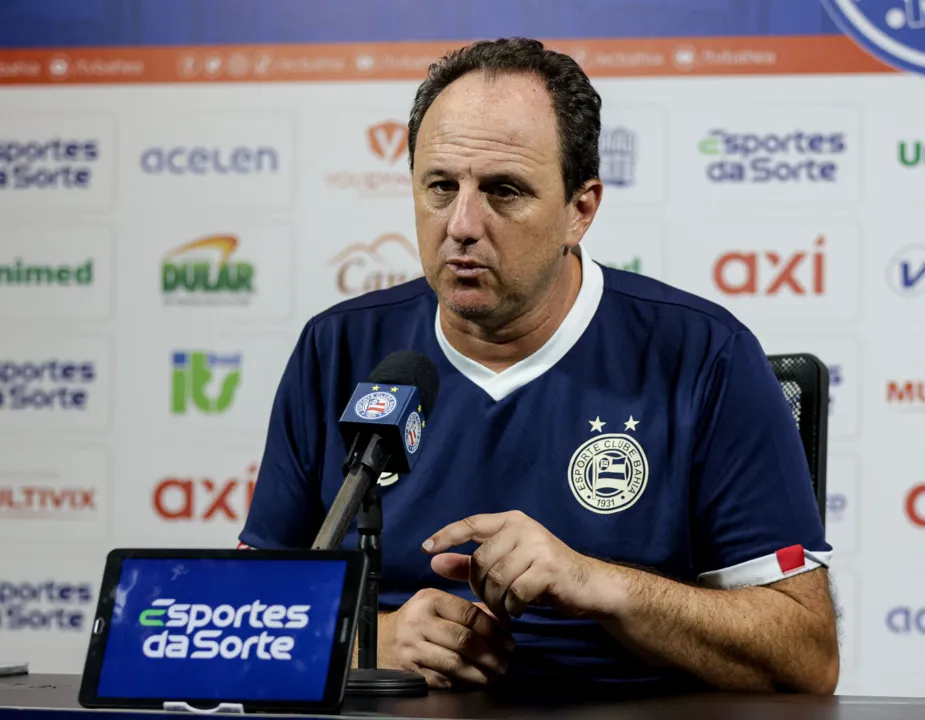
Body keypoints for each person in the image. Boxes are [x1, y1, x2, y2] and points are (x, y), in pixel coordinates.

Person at [240, 37, 839, 694]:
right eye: (440, 186)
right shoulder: (339, 348)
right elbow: (238, 622)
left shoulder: (702, 353)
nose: (462, 223)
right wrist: (364, 641)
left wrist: (598, 584)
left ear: (578, 210)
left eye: (503, 190)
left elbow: (804, 656)